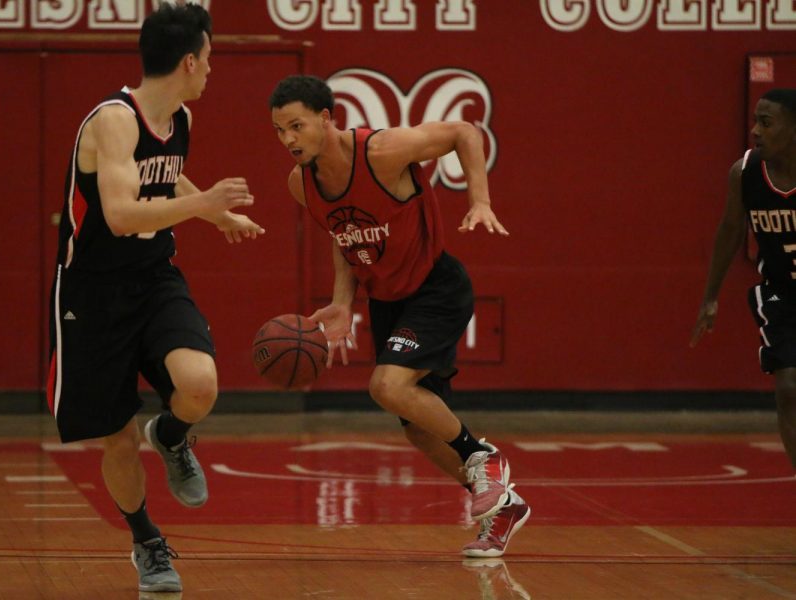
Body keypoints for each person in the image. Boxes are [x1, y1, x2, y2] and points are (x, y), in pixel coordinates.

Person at [47, 4, 263, 593]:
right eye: (210, 59)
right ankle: (146, 541)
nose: (211, 70)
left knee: (200, 384)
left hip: (154, 277)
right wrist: (203, 204)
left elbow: (163, 177)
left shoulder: (181, 118)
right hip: (92, 293)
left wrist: (213, 214)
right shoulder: (114, 121)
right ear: (189, 60)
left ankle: (169, 436)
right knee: (116, 436)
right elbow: (117, 215)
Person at [269, 75, 530, 557]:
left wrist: (480, 200)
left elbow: (465, 132)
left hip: (436, 287)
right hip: (388, 300)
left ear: (327, 119)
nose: (288, 139)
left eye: (296, 126)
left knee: (386, 386)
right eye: (280, 130)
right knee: (418, 428)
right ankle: (502, 507)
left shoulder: (382, 152)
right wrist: (344, 302)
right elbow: (340, 233)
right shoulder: (300, 184)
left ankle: (482, 458)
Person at [692, 88, 796, 469]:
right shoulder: (746, 172)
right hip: (782, 294)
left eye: (766, 123)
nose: (755, 130)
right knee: (788, 388)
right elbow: (730, 231)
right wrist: (710, 296)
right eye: (755, 120)